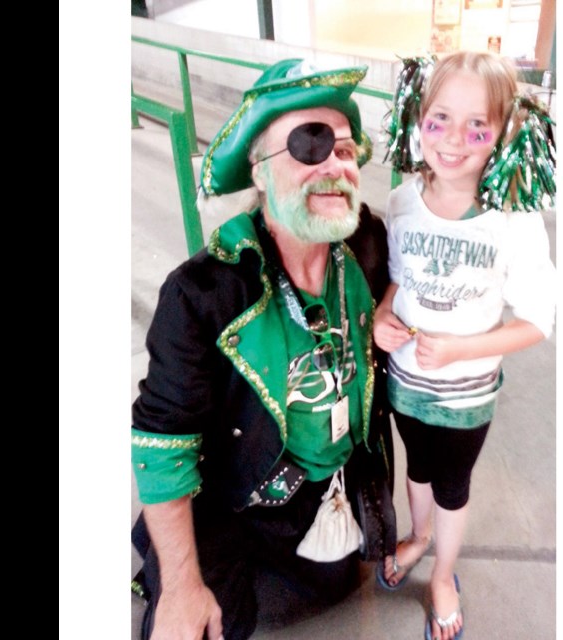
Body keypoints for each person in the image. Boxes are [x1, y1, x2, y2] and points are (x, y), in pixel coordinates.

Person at [130, 59, 394, 640]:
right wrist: (181, 583)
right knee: (197, 625)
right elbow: (162, 441)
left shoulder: (368, 248)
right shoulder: (203, 292)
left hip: (322, 489)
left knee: (336, 584)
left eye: (348, 151)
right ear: (260, 171)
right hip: (225, 499)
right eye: (310, 146)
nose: (336, 166)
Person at [373, 51, 557, 640]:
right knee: (417, 469)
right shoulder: (403, 200)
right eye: (439, 120)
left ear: (504, 132)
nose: (453, 140)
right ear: (416, 120)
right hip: (406, 383)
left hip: (466, 396)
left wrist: (459, 349)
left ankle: (444, 573)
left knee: (452, 485)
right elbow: (399, 276)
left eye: (477, 126)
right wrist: (380, 315)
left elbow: (536, 320)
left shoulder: (512, 220)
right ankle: (418, 537)